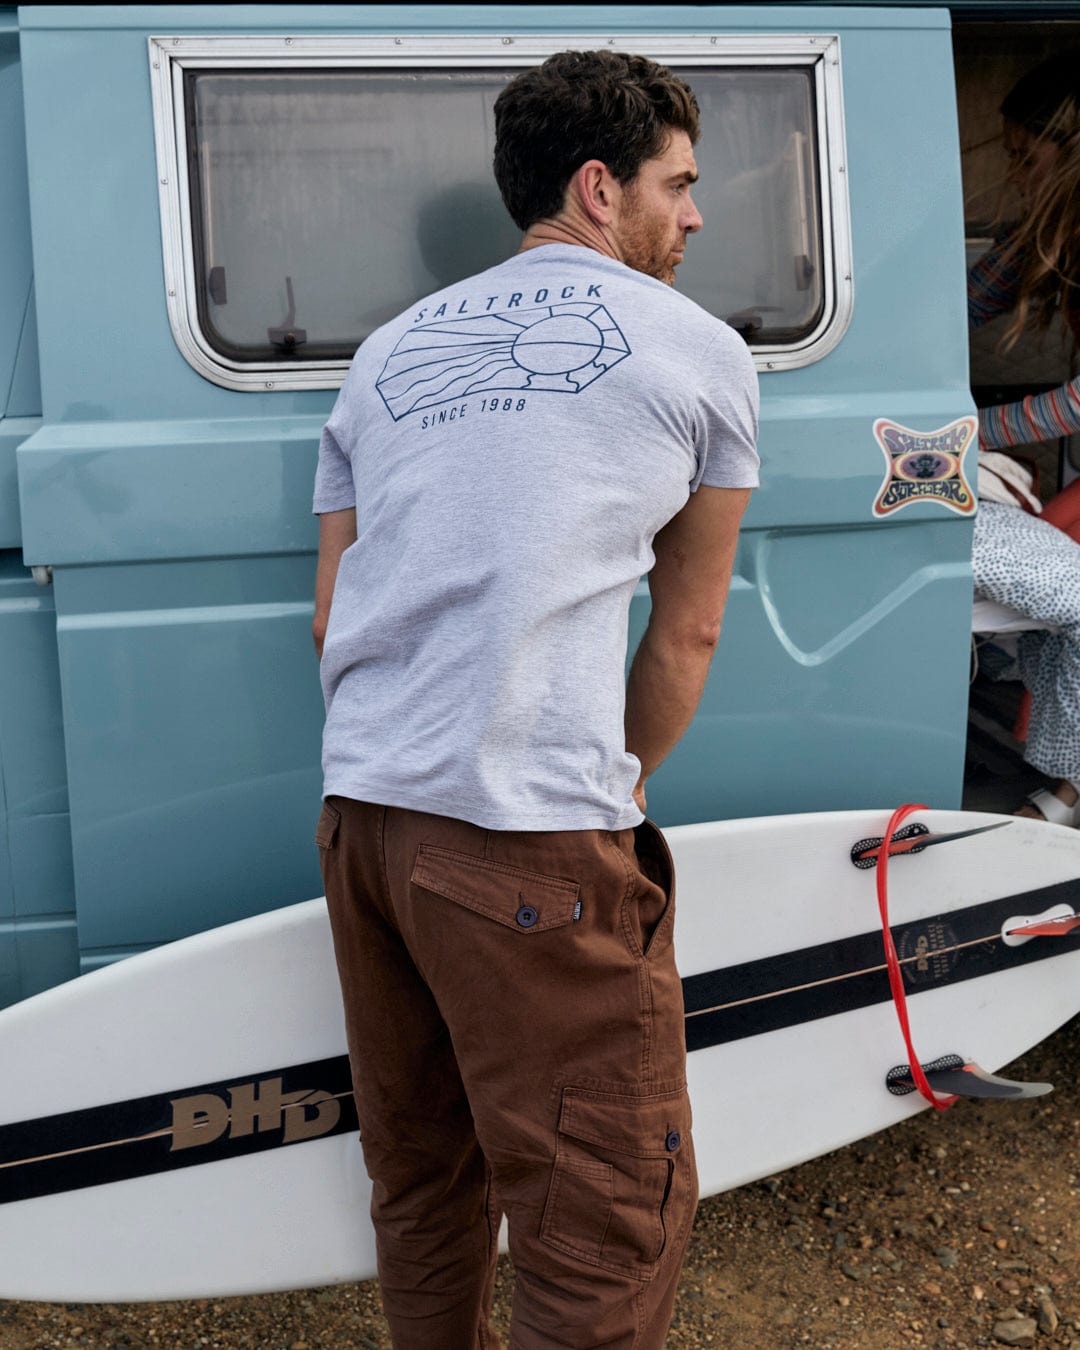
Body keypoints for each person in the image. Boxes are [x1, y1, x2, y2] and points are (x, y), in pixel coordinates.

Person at [311, 48, 759, 1349]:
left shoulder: (383, 355)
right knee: (598, 1221)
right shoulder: (697, 349)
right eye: (678, 184)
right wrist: (601, 793)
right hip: (527, 838)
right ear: (597, 187)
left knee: (423, 1180)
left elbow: (336, 615)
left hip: (364, 825)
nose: (695, 214)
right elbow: (692, 631)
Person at [969, 49, 1080, 827]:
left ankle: (1071, 793)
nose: (1016, 172)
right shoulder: (1050, 228)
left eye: (1024, 155)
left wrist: (969, 432)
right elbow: (968, 298)